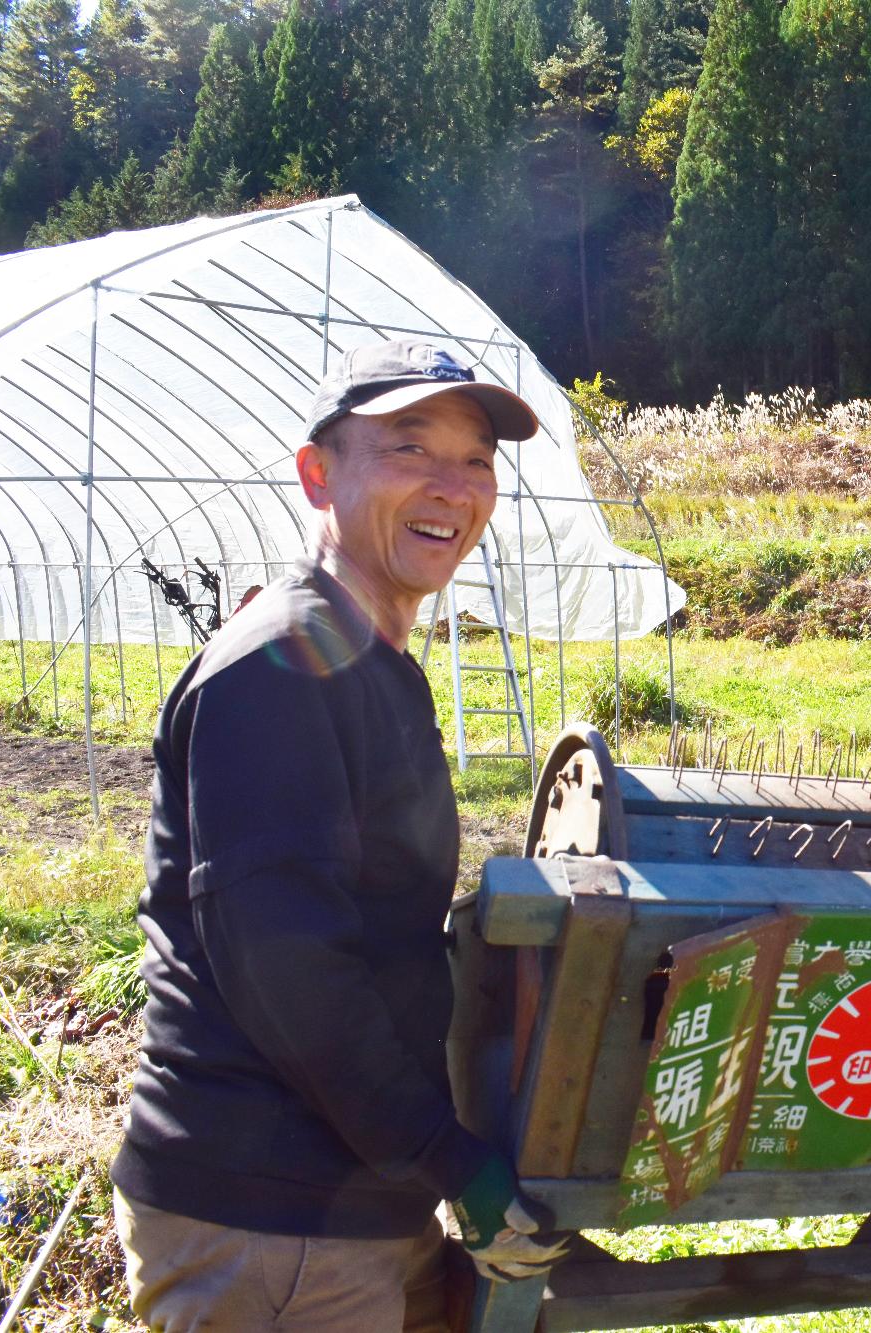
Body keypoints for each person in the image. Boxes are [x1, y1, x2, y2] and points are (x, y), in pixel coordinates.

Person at [111, 340, 567, 1332]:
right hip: (265, 1212)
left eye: (478, 460)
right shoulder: (281, 664)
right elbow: (293, 974)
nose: (454, 485)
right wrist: (452, 1162)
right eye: (410, 447)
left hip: (351, 1193)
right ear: (319, 473)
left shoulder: (366, 656)